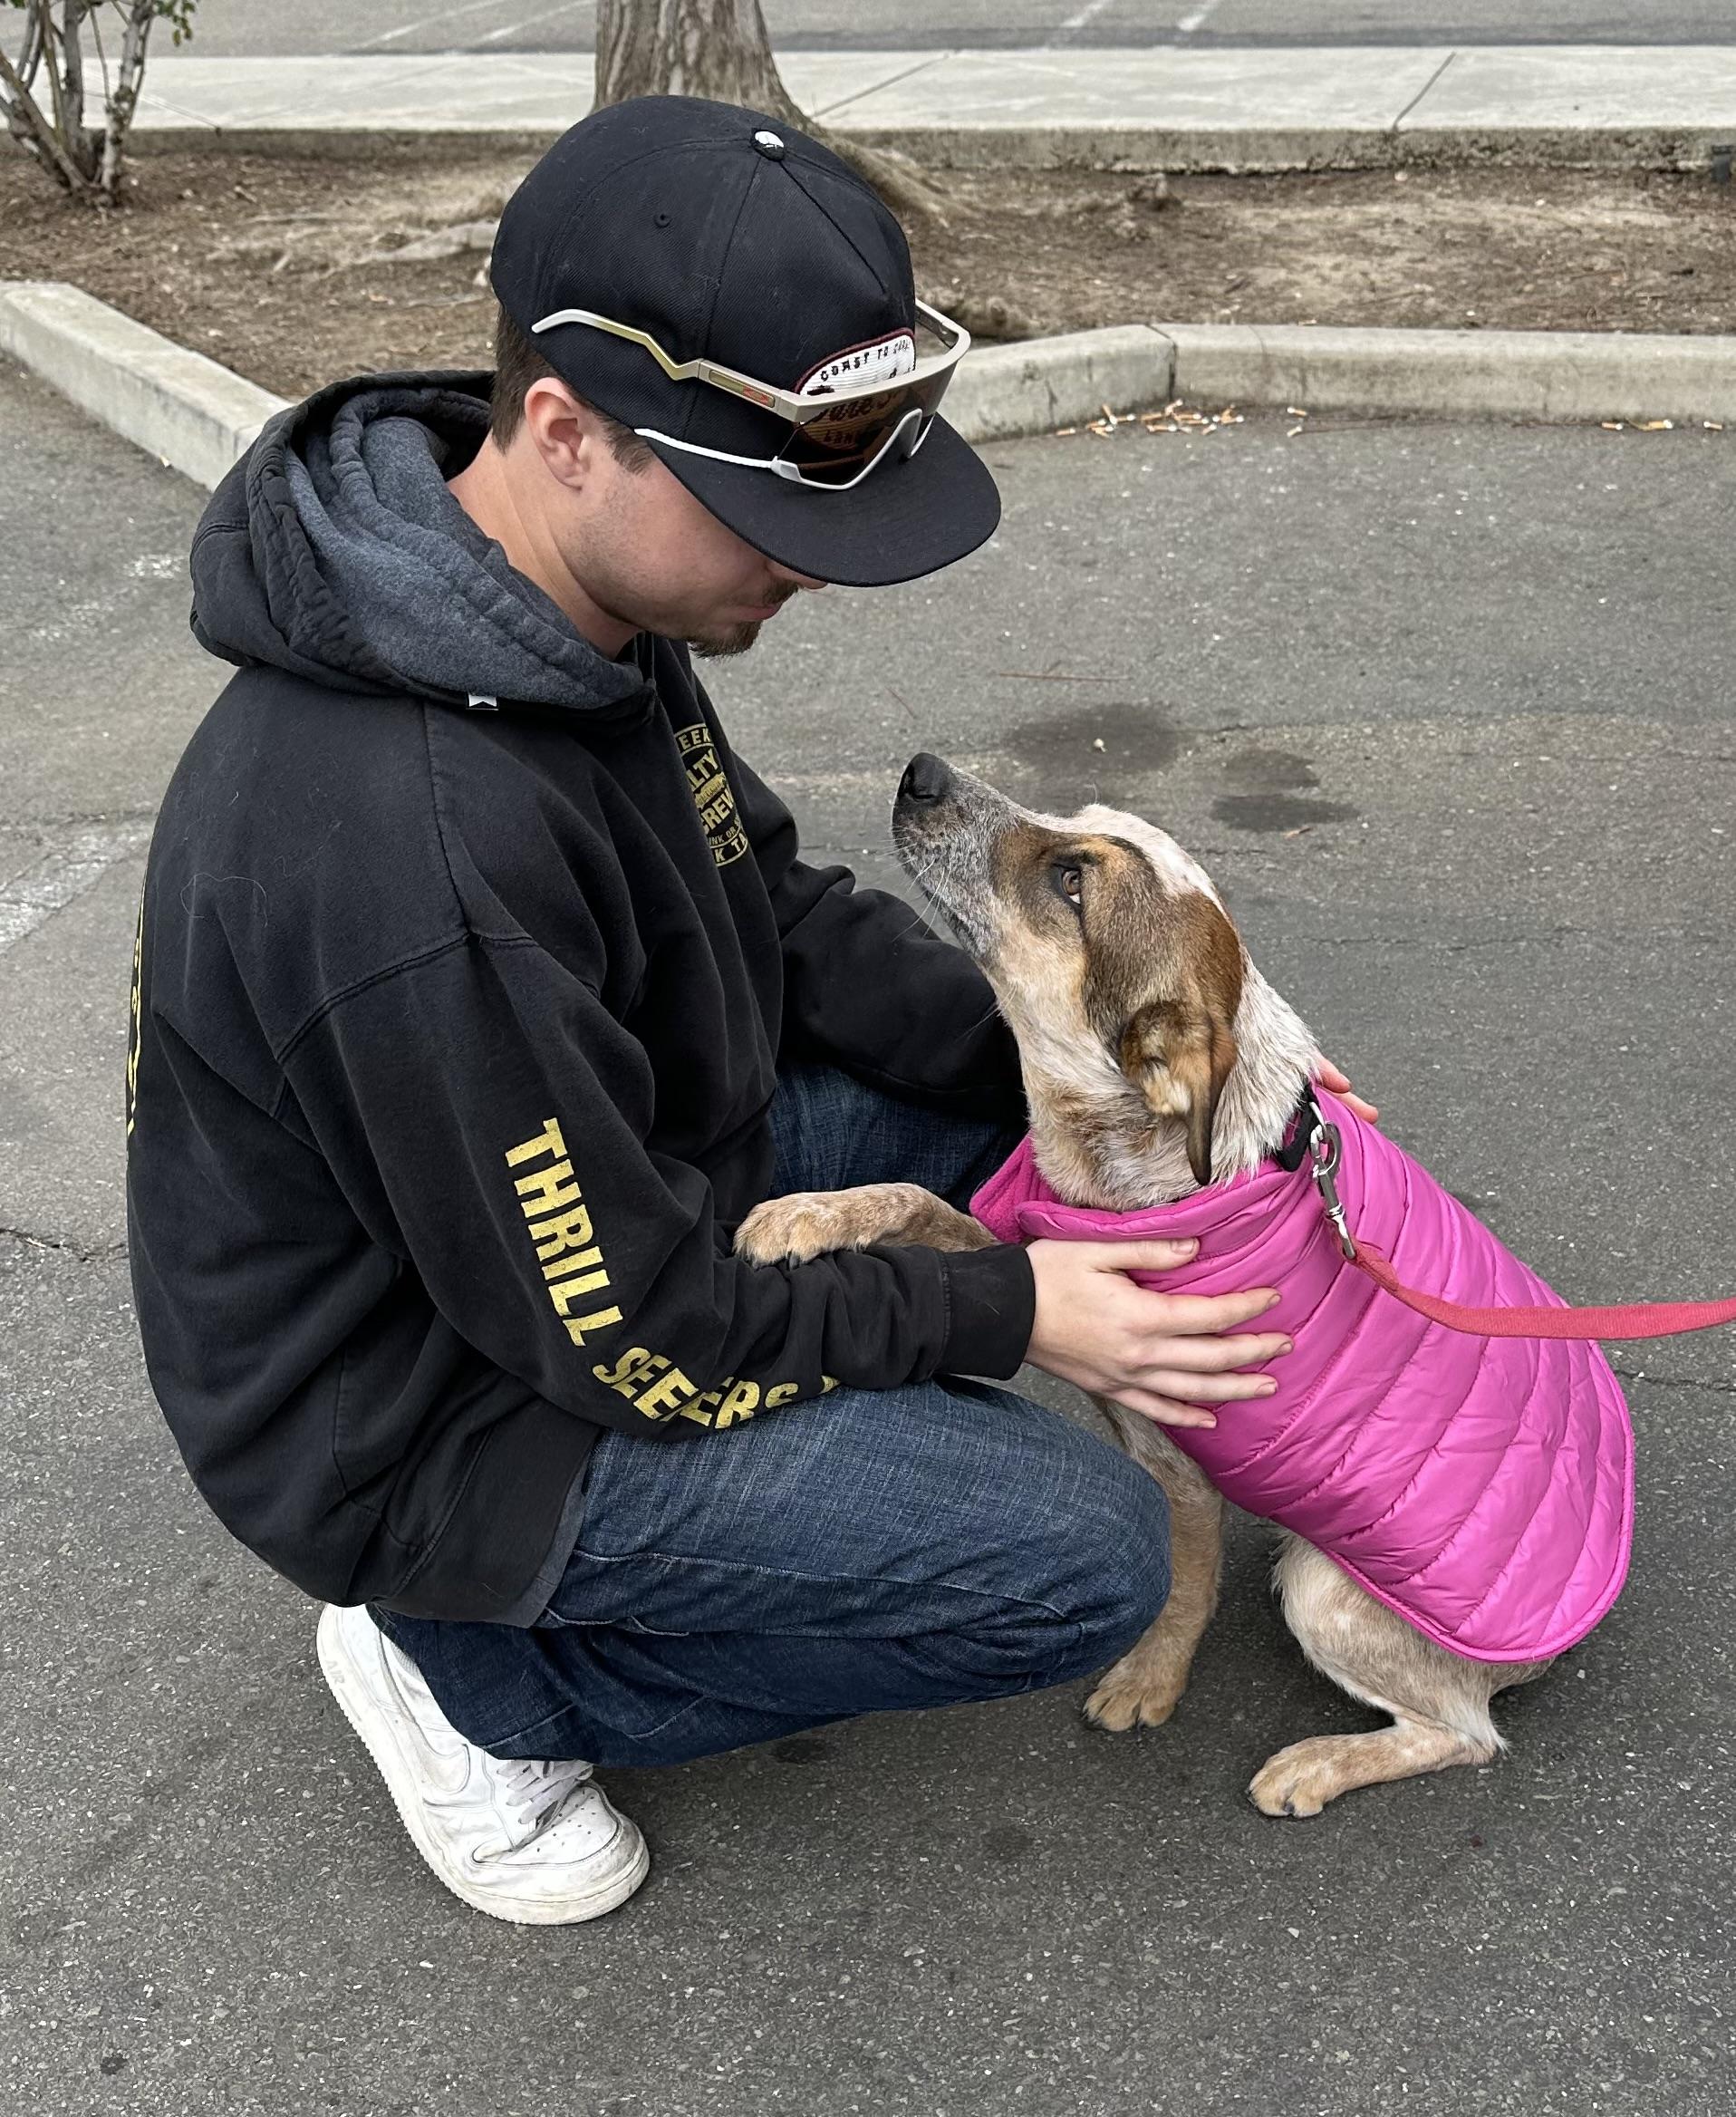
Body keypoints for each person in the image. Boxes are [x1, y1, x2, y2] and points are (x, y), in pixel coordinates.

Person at [126, 95, 1374, 1927]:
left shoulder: (559, 612)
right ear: (564, 429)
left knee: (1040, 1124)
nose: (812, 559)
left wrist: (1180, 1091)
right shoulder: (411, 849)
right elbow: (628, 1324)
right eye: (771, 502)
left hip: (589, 1174)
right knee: (1078, 1560)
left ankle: (787, 1496)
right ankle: (472, 1682)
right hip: (433, 1407)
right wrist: (1004, 1298)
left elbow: (764, 914)